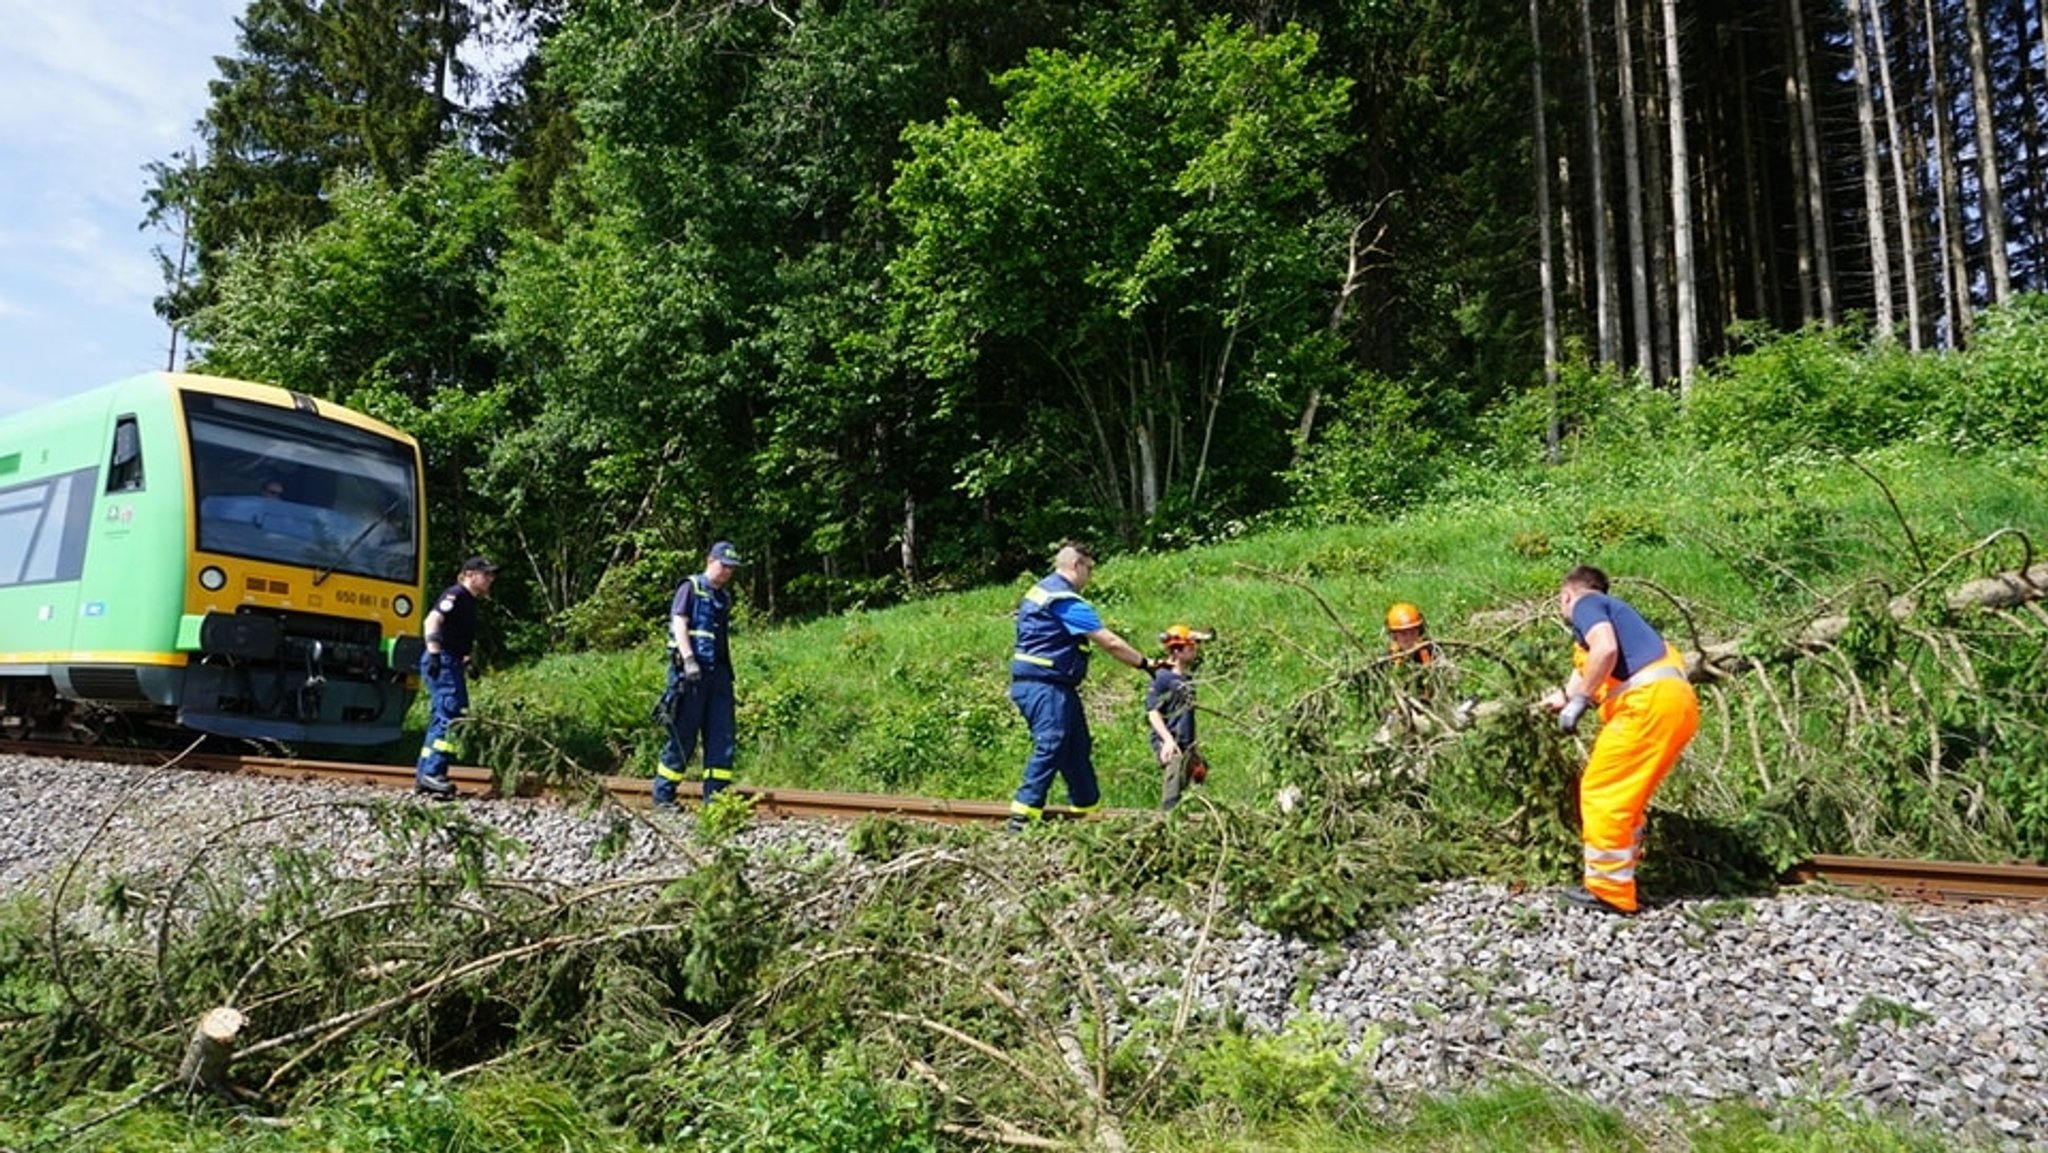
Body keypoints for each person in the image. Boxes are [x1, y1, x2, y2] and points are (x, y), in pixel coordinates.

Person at [1541, 565, 1700, 915]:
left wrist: (1580, 703)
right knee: (1627, 797)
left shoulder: (1586, 604)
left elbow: (1605, 650)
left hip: (1647, 705)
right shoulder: (1620, 618)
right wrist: (1565, 698)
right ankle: (1622, 878)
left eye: (1561, 603)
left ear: (1567, 595)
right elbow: (1590, 668)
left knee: (1603, 790)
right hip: (1675, 704)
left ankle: (1610, 891)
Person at [1006, 541, 1160, 830]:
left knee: (1076, 747)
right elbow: (1111, 643)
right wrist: (1146, 664)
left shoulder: (1041, 591)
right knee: (1052, 741)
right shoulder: (1065, 600)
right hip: (1046, 686)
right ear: (1076, 566)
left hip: (1047, 685)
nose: (1090, 577)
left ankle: (1088, 812)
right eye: (1089, 569)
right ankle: (1022, 817)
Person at [654, 540, 744, 807]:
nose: (727, 571)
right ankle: (663, 797)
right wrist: (689, 658)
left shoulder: (723, 598)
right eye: (723, 565)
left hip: (718, 678)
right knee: (683, 735)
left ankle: (715, 802)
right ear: (710, 561)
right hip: (691, 676)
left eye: (731, 568)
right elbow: (679, 622)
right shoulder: (690, 587)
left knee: (721, 736)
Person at [415, 555, 498, 798]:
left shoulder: (469, 601)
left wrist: (467, 660)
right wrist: (433, 653)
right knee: (451, 714)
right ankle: (433, 772)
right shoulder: (456, 594)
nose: (490, 579)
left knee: (442, 715)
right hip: (443, 659)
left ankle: (425, 774)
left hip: (452, 659)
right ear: (470, 575)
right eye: (486, 574)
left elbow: (456, 634)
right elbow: (432, 620)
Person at [1147, 624, 1210, 811]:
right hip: (1171, 743)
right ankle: (1168, 826)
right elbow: (1153, 712)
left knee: (1198, 781)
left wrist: (1194, 747)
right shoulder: (1162, 678)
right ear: (1177, 651)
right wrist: (1167, 740)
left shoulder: (1188, 680)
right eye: (1190, 648)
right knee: (1172, 793)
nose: (1194, 652)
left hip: (1187, 743)